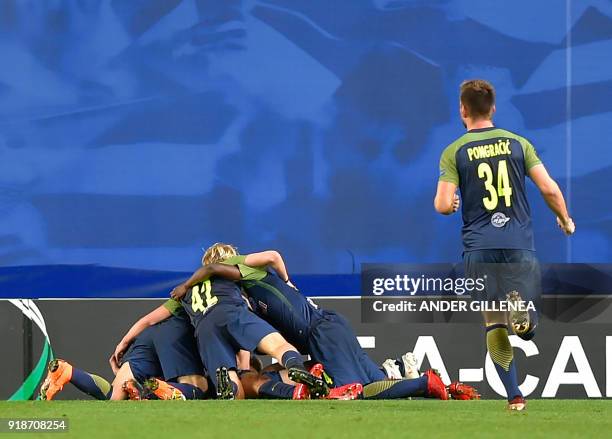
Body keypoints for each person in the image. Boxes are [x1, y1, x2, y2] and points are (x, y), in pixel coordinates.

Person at [171, 244, 476, 401]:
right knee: (378, 384)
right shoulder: (246, 298)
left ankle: (425, 384)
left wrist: (288, 281)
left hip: (322, 333)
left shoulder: (244, 273)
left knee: (353, 392)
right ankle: (447, 387)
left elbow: (269, 256)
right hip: (330, 326)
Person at [434, 79, 575, 410]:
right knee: (525, 325)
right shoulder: (518, 144)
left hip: (479, 248)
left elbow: (442, 204)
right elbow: (549, 189)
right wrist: (565, 219)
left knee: (493, 321)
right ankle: (524, 319)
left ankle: (514, 396)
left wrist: (452, 204)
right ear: (493, 108)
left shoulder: (454, 151)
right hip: (517, 245)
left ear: (463, 110)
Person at [40, 300, 208, 401]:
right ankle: (151, 389)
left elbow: (148, 320)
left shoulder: (184, 289)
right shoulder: (217, 293)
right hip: (177, 333)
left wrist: (123, 343)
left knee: (114, 396)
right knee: (197, 387)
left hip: (149, 335)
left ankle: (67, 372)